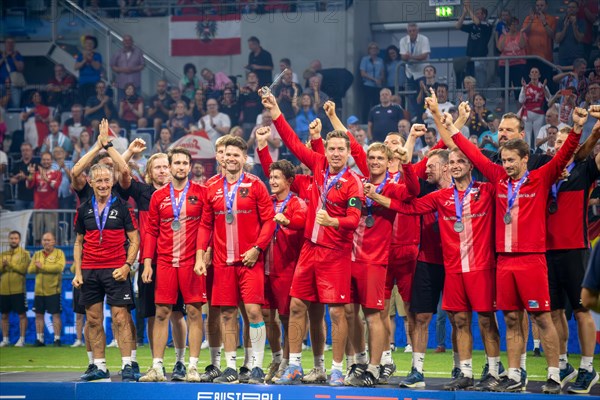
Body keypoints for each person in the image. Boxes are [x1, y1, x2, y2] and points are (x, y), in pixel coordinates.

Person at [445, 106, 587, 393]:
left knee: (541, 318)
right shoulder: (497, 177)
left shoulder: (541, 177)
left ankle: (554, 374)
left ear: (525, 159)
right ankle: (513, 374)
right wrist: (451, 128)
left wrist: (576, 129)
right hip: (504, 262)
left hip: (532, 260)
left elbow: (562, 156)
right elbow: (472, 153)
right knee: (510, 318)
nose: (507, 165)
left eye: (512, 160)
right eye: (505, 160)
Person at [261, 93, 363, 386]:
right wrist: (277, 110)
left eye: (340, 149)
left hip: (335, 252)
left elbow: (354, 221)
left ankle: (336, 369)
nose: (334, 153)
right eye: (331, 148)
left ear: (347, 153)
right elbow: (292, 142)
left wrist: (334, 221)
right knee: (296, 307)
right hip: (309, 249)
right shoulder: (317, 164)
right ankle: (294, 366)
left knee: (336, 312)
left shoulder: (353, 182)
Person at [195, 135, 276, 384]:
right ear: (222, 157)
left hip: (249, 261)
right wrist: (200, 255)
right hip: (221, 262)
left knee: (253, 312)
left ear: (243, 158)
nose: (231, 158)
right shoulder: (211, 187)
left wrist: (257, 249)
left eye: (236, 155)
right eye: (227, 154)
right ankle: (230, 368)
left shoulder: (256, 185)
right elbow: (205, 224)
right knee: (227, 314)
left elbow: (270, 221)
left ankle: (257, 367)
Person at [139, 148, 206, 382]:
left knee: (195, 312)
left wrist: (201, 256)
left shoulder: (201, 193)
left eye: (184, 163)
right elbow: (151, 232)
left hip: (191, 262)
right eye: (176, 162)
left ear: (190, 167)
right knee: (161, 312)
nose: (180, 166)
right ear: (169, 166)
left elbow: (206, 227)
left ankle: (193, 367)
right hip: (165, 262)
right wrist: (148, 264)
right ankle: (157, 367)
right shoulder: (158, 197)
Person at [72, 154, 140, 382]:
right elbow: (78, 242)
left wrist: (127, 265)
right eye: (98, 181)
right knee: (93, 319)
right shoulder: (83, 209)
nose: (102, 185)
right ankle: (99, 366)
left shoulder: (122, 207)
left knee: (121, 318)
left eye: (106, 180)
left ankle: (128, 365)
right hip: (90, 271)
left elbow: (135, 239)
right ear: (90, 183)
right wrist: (79, 272)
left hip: (115, 270)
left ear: (112, 182)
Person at [545, 118, 600, 394]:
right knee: (554, 313)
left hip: (575, 249)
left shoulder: (584, 170)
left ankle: (588, 368)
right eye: (555, 142)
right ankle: (564, 364)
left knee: (581, 312)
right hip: (547, 253)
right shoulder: (546, 174)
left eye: (564, 142)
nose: (558, 146)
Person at [254, 138, 307, 383]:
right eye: (270, 177)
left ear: (289, 181)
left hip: (287, 268)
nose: (272, 181)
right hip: (264, 267)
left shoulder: (297, 203)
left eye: (277, 178)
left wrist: (287, 222)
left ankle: (289, 362)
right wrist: (261, 147)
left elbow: (302, 223)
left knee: (287, 318)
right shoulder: (266, 203)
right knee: (267, 316)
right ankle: (276, 357)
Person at [29, 232, 65, 347]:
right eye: (44, 240)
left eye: (49, 240)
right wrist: (37, 267)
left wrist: (42, 267)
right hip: (39, 291)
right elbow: (30, 270)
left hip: (53, 290)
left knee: (56, 315)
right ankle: (39, 339)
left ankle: (57, 339)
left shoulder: (59, 253)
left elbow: (59, 267)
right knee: (39, 315)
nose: (46, 242)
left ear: (54, 241)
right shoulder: (37, 254)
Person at [0, 231, 30, 347]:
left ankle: (22, 339)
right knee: (4, 315)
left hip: (18, 290)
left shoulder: (24, 254)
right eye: (11, 238)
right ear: (9, 239)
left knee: (22, 315)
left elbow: (23, 269)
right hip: (3, 290)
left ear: (19, 240)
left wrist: (10, 265)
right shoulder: (3, 254)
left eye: (16, 238)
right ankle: (5, 339)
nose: (13, 240)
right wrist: (3, 266)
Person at [26, 152, 62, 245]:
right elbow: (29, 185)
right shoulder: (36, 173)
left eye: (48, 160)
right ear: (41, 161)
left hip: (51, 208)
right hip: (38, 208)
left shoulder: (57, 173)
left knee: (51, 235)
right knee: (37, 236)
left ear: (51, 161)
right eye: (44, 160)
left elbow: (55, 185)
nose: (46, 162)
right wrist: (30, 174)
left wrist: (46, 178)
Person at [455, 0, 492, 87]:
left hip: (480, 58)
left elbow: (478, 22)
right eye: (476, 13)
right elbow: (457, 26)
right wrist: (464, 13)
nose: (476, 15)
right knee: (470, 82)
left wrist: (469, 8)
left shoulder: (487, 25)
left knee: (480, 82)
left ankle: (481, 98)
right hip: (469, 58)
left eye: (479, 13)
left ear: (484, 15)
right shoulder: (472, 25)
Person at [522, 0, 557, 88]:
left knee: (545, 83)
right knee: (530, 83)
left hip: (545, 57)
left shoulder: (551, 19)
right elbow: (524, 31)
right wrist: (531, 20)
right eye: (537, 5)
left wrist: (544, 22)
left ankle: (545, 101)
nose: (539, 7)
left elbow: (552, 35)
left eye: (541, 5)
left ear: (546, 6)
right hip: (530, 55)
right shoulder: (529, 18)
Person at [399, 23, 431, 121]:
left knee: (423, 97)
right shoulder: (403, 40)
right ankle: (415, 118)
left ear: (418, 31)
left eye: (414, 30)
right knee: (411, 98)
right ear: (407, 32)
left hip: (422, 73)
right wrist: (416, 58)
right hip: (410, 73)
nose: (412, 33)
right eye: (410, 31)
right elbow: (403, 57)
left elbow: (424, 55)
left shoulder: (424, 39)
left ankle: (423, 117)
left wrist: (411, 57)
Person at [519, 68, 551, 148]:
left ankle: (537, 154)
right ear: (529, 75)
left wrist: (544, 89)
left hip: (539, 114)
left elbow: (549, 100)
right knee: (527, 135)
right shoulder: (525, 87)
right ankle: (527, 153)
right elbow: (521, 100)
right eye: (532, 72)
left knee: (538, 135)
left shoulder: (543, 86)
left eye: (536, 72)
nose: (534, 74)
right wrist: (524, 90)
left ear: (539, 75)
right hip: (527, 114)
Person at [497, 17, 527, 101]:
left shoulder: (522, 34)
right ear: (508, 26)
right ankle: (504, 109)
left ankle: (519, 110)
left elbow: (522, 45)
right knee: (505, 88)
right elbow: (500, 48)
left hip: (519, 64)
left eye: (516, 24)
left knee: (518, 89)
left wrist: (521, 33)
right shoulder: (503, 35)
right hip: (504, 64)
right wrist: (506, 35)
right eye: (512, 24)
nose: (514, 26)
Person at [110, 35, 145, 102]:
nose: (127, 42)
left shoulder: (138, 52)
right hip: (122, 84)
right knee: (121, 104)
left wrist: (133, 69)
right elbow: (112, 65)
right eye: (125, 40)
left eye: (129, 40)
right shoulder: (118, 53)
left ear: (132, 42)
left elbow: (142, 65)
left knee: (137, 103)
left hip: (135, 84)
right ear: (122, 42)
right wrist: (122, 70)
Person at [555, 1, 585, 67]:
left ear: (577, 9)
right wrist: (565, 26)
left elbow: (579, 39)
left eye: (573, 7)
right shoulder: (561, 21)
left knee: (576, 77)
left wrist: (574, 25)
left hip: (577, 57)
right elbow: (557, 40)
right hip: (563, 56)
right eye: (569, 7)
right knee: (564, 77)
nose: (570, 9)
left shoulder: (581, 22)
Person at [359, 42, 384, 121]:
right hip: (368, 85)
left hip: (377, 86)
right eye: (372, 48)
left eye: (375, 48)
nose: (374, 50)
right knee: (367, 104)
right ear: (369, 50)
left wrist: (380, 79)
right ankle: (365, 120)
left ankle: (376, 119)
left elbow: (382, 73)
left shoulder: (380, 60)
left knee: (376, 103)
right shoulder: (365, 59)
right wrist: (374, 79)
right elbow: (363, 73)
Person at [74, 35, 103, 104]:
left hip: (94, 85)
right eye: (87, 43)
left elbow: (97, 67)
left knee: (93, 104)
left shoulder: (97, 55)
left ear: (94, 45)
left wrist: (90, 59)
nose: (89, 45)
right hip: (82, 84)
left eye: (91, 43)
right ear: (84, 45)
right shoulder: (80, 55)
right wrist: (84, 59)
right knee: (82, 104)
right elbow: (76, 67)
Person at [0, 37, 25, 108]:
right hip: (1, 84)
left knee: (16, 105)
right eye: (8, 42)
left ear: (14, 44)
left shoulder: (18, 55)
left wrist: (13, 58)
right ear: (4, 44)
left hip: (14, 85)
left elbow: (20, 69)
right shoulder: (0, 55)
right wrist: (4, 57)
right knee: (1, 105)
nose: (9, 44)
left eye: (11, 43)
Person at [9, 142, 35, 210]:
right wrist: (18, 177)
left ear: (31, 151)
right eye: (23, 150)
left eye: (27, 150)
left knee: (32, 220)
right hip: (20, 198)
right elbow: (11, 181)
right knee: (20, 220)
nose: (25, 152)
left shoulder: (37, 164)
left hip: (33, 198)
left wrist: (25, 177)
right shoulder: (17, 164)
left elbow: (37, 179)